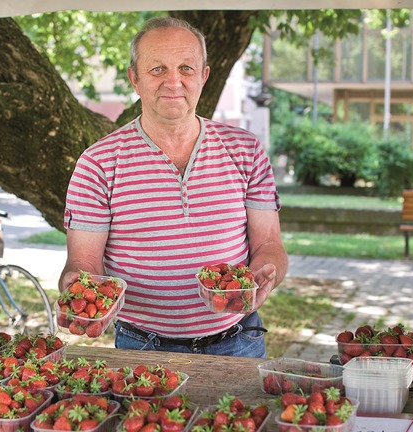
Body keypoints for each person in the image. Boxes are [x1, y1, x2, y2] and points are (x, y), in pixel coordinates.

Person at [59, 17, 288, 357]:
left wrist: (266, 272)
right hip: (141, 348)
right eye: (157, 69)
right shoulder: (98, 163)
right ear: (134, 79)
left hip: (239, 339)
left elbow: (269, 242)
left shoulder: (246, 149)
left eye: (186, 68)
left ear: (204, 76)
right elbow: (84, 261)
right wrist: (77, 289)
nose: (173, 81)